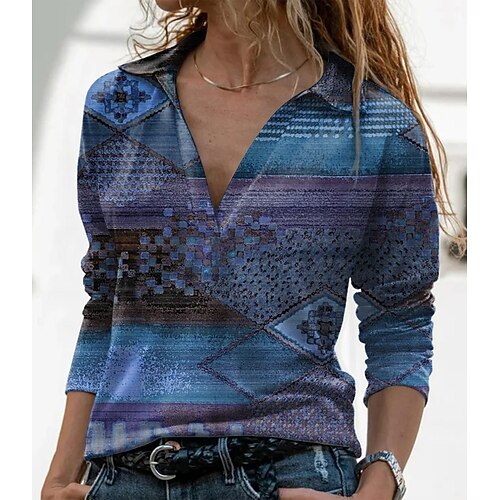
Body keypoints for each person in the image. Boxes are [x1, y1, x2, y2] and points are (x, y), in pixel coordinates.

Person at [41, 1, 466, 499]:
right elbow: (106, 302)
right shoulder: (120, 107)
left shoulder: (373, 125)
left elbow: (400, 322)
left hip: (289, 473)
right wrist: (59, 478)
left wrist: (379, 486)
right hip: (127, 479)